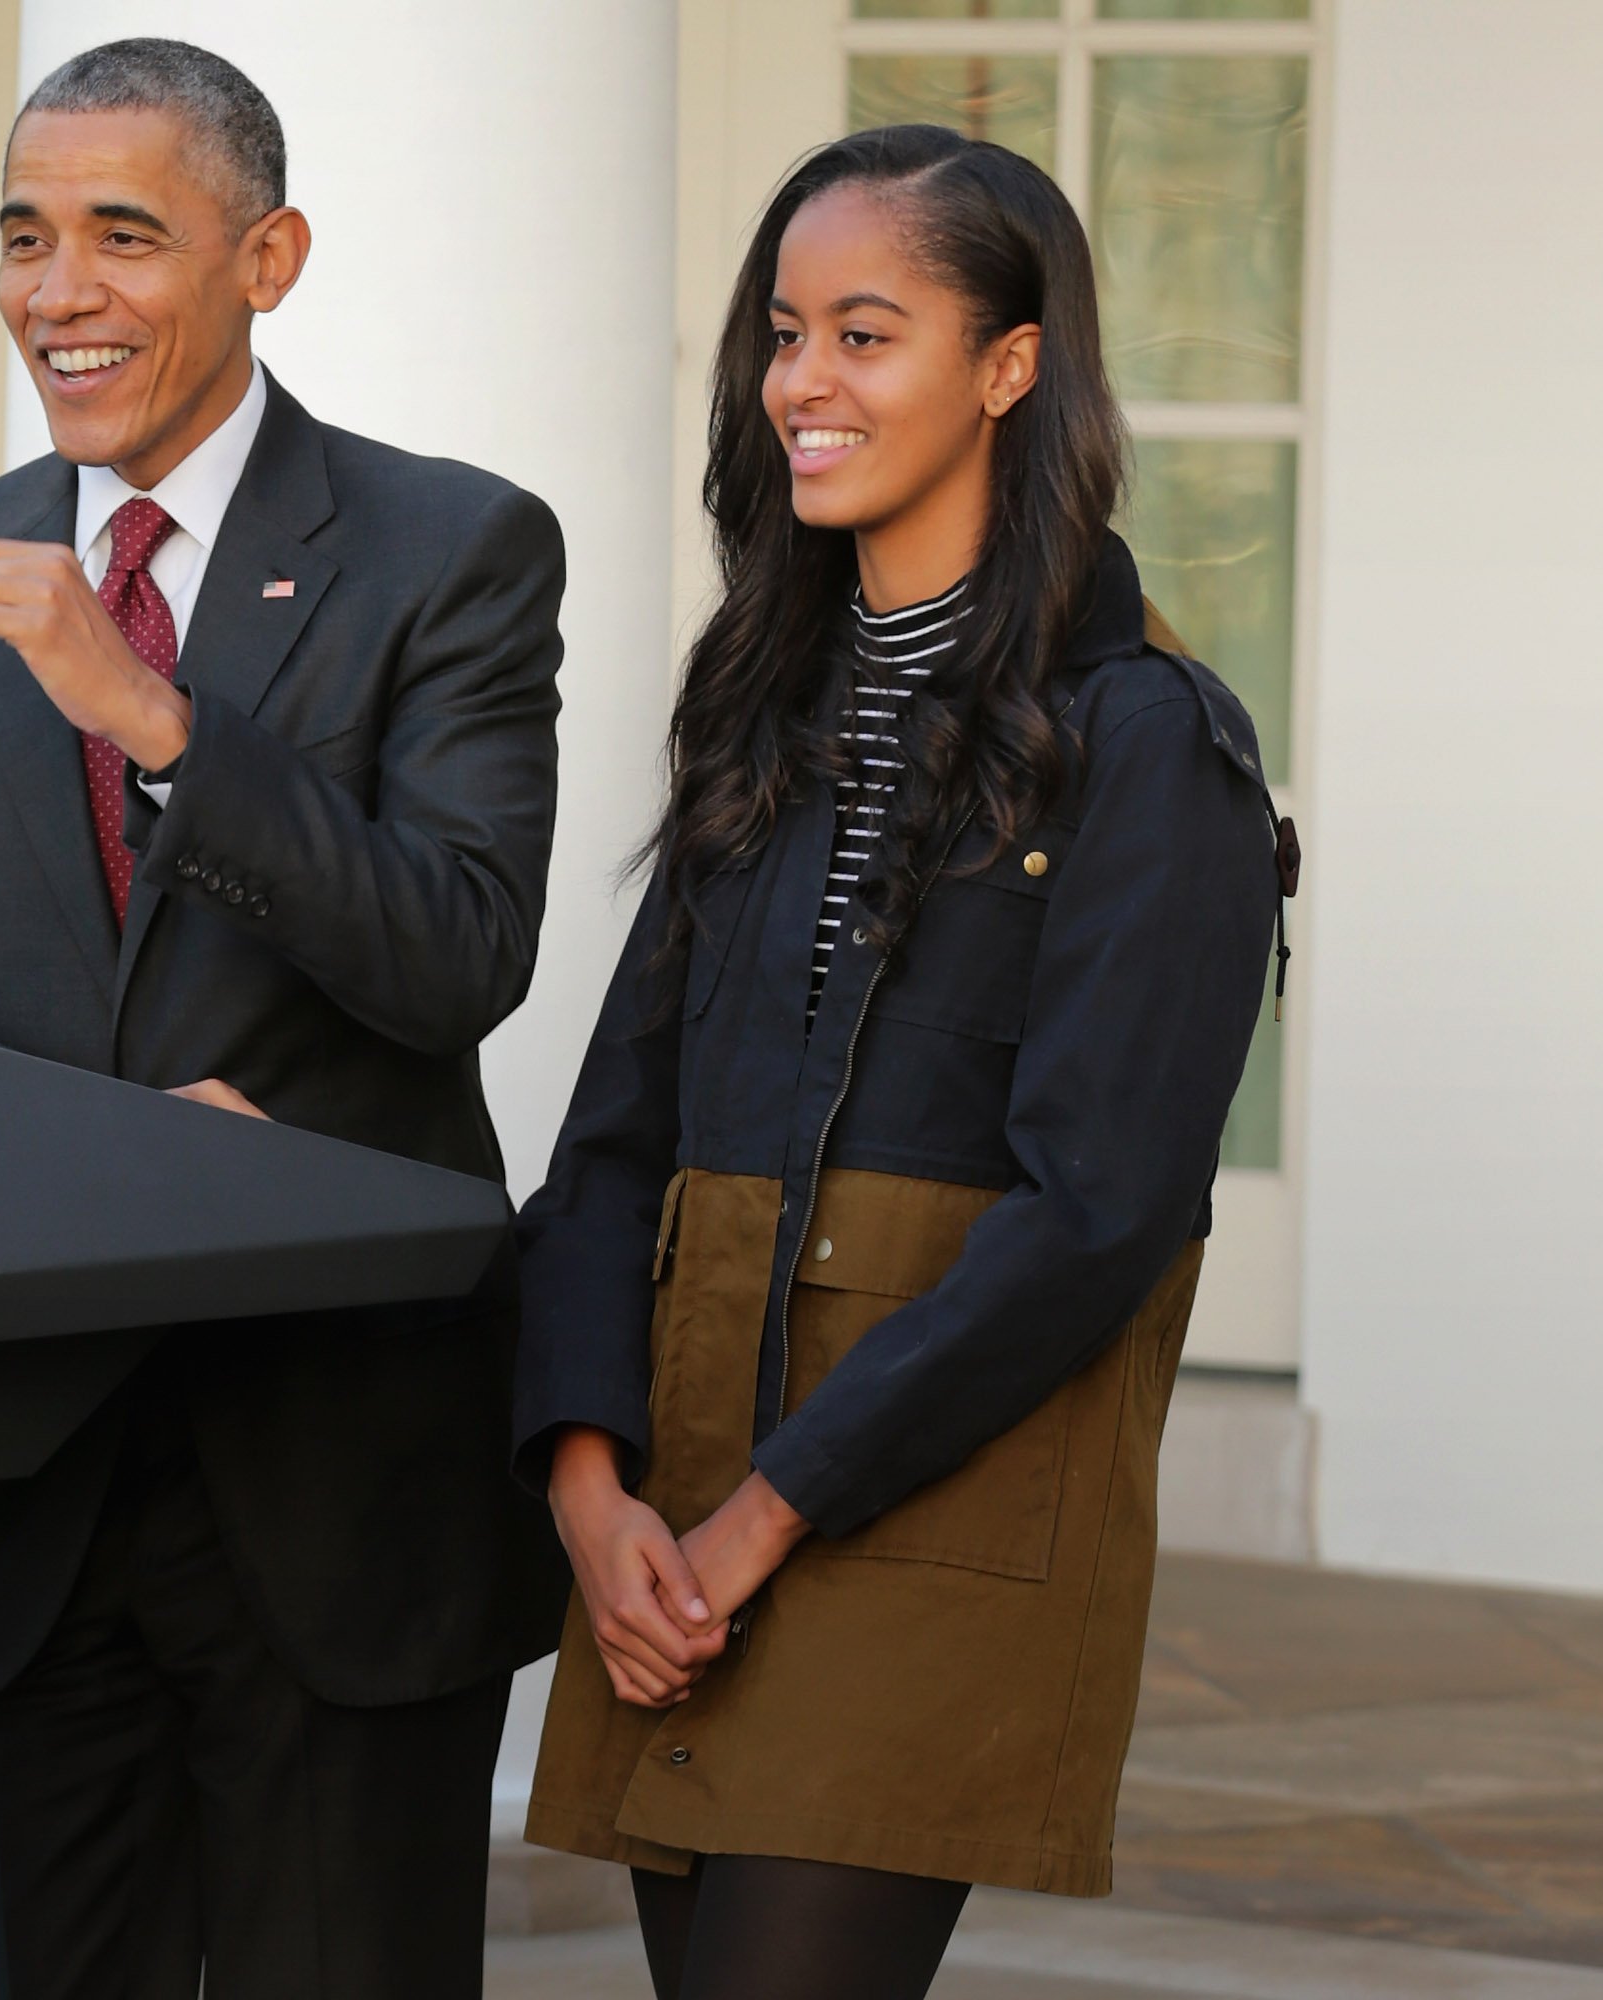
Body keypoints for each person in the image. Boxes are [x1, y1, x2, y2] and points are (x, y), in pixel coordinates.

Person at [0, 37, 571, 1999]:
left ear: (266, 255)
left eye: (124, 235)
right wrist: (78, 1171)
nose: (58, 290)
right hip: (26, 1502)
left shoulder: (452, 551)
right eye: (25, 237)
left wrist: (156, 721)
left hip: (339, 1487)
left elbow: (461, 949)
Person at [511, 124, 1286, 2000]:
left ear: (1009, 365)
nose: (803, 382)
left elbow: (1101, 1207)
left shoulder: (1149, 744)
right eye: (787, 331)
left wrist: (771, 1510)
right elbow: (617, 1141)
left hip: (923, 1507)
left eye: (869, 332)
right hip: (685, 1504)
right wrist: (592, 1490)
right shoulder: (759, 705)